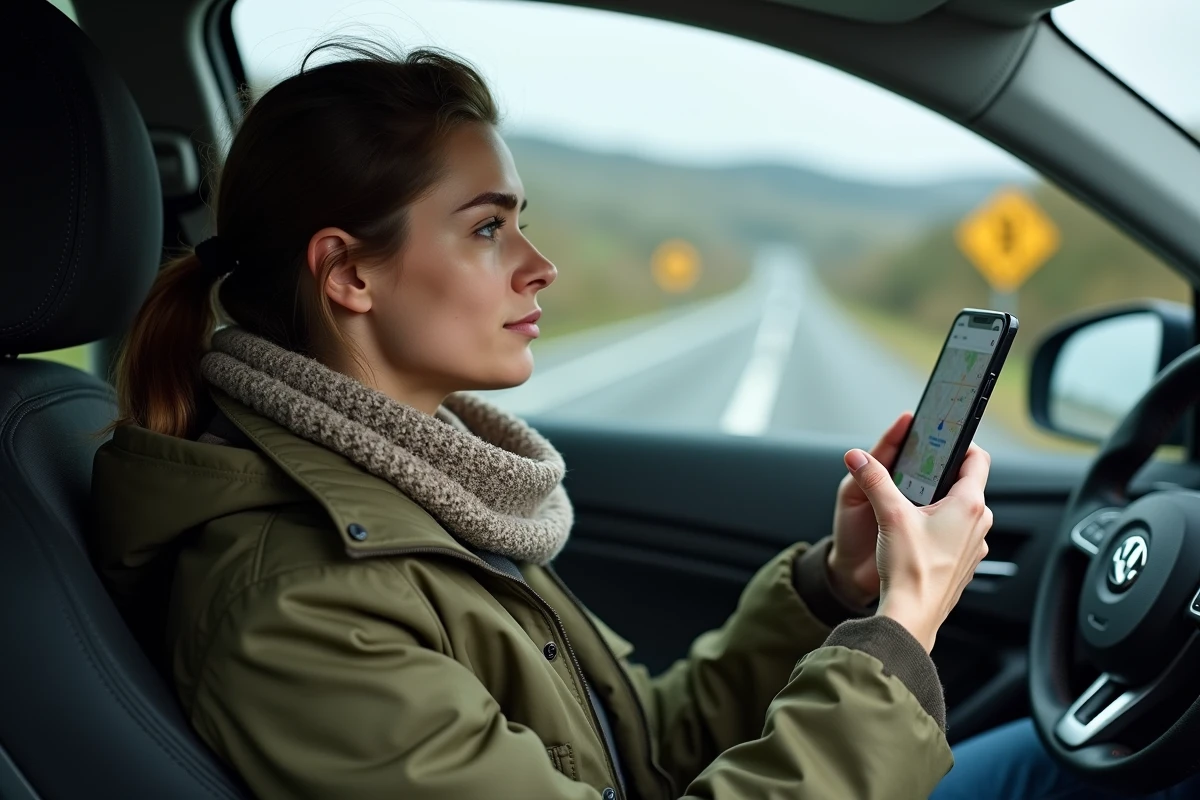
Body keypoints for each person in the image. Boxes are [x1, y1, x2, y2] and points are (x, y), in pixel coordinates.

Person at [90, 43, 997, 799]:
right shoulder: (298, 604)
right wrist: (900, 632)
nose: (541, 266)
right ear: (349, 274)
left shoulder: (429, 495)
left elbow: (635, 751)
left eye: (520, 221)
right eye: (488, 229)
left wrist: (837, 587)